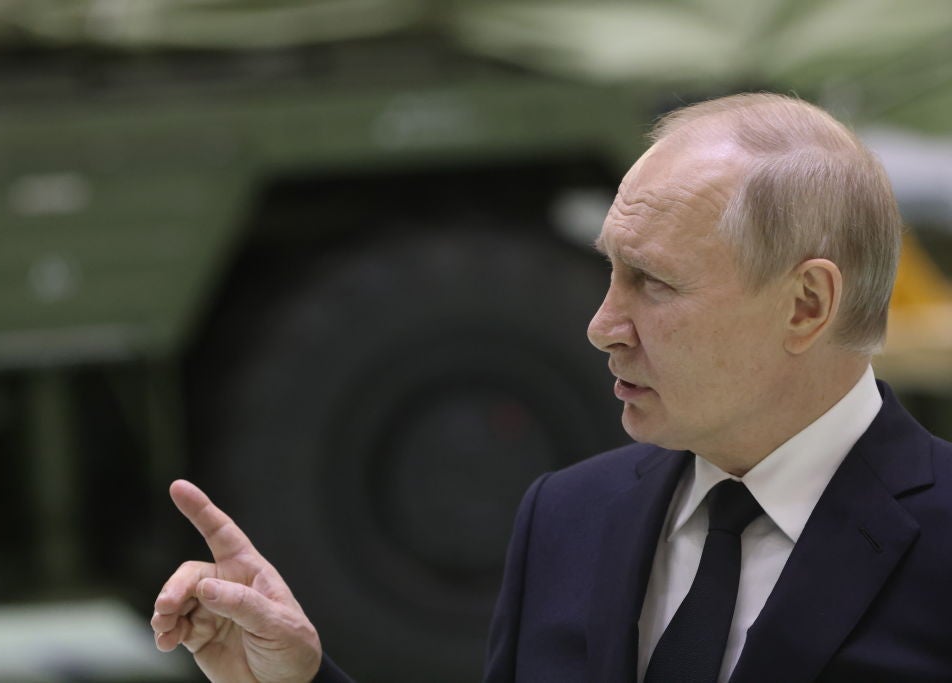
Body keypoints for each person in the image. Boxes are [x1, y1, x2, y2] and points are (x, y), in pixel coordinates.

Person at [151, 93, 952, 682]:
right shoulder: (567, 517)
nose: (603, 324)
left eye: (653, 283)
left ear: (805, 304)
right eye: (611, 271)